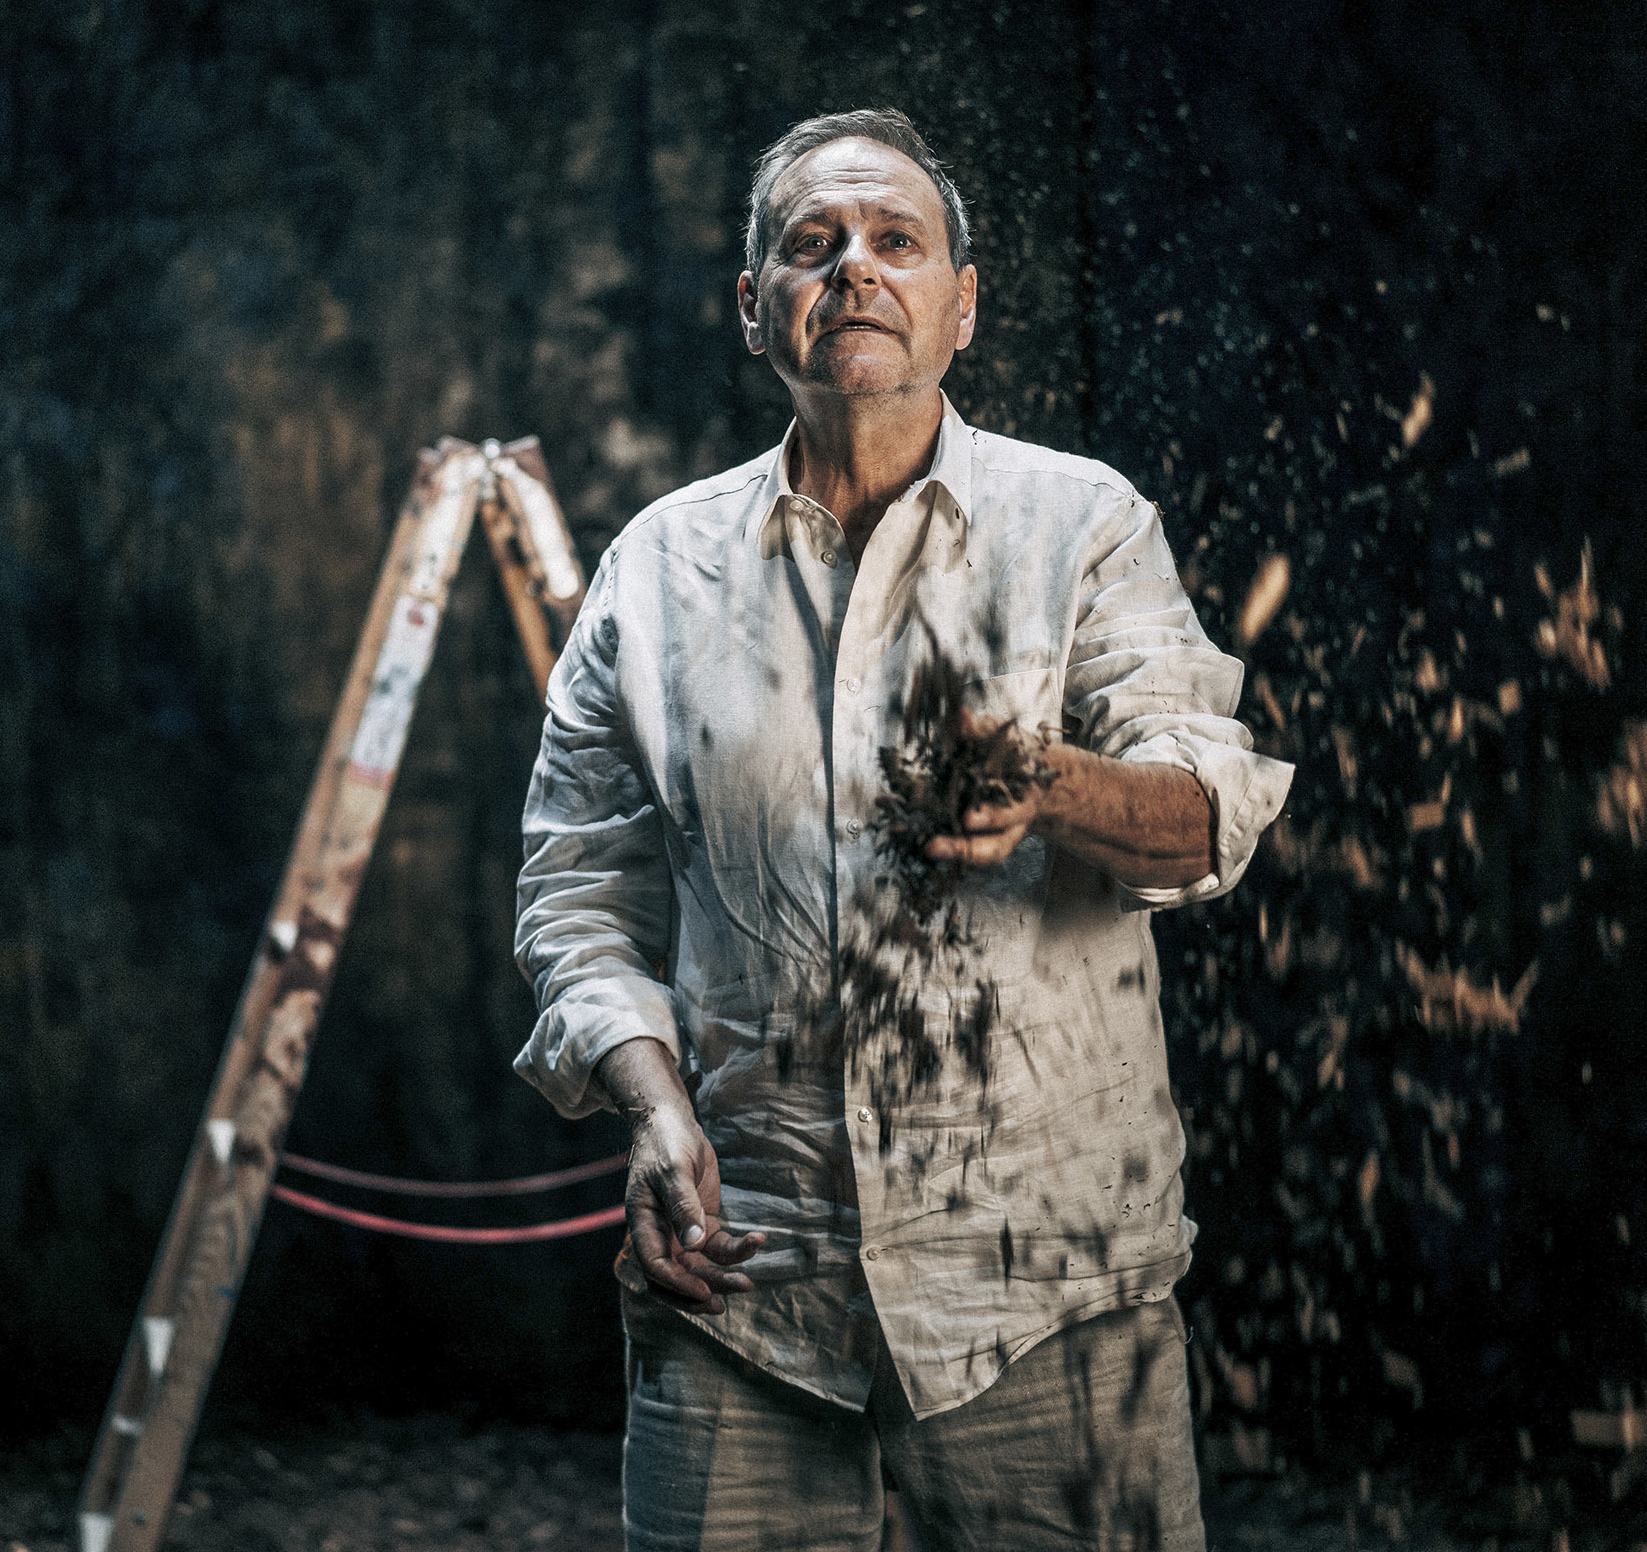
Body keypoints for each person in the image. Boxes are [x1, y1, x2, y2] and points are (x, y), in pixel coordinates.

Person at [513, 107, 1293, 1552]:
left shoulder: (1081, 527)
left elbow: (1204, 819)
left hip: (1047, 1289)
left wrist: (1044, 780)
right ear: (754, 308)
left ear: (962, 303)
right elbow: (577, 895)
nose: (852, 270)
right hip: (745, 1284)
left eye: (895, 241)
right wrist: (651, 1105)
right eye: (811, 245)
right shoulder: (657, 571)